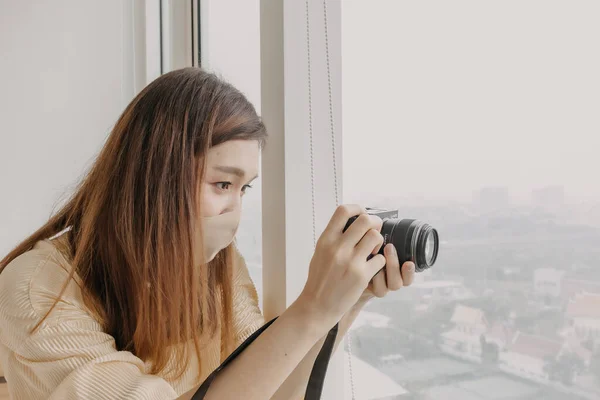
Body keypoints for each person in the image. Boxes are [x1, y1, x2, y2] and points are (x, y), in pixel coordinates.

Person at [0, 67, 415, 400]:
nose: (234, 208)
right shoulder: (36, 289)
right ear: (154, 176)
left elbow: (271, 390)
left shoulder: (217, 265)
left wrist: (343, 305)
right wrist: (311, 309)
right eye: (222, 184)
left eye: (243, 188)